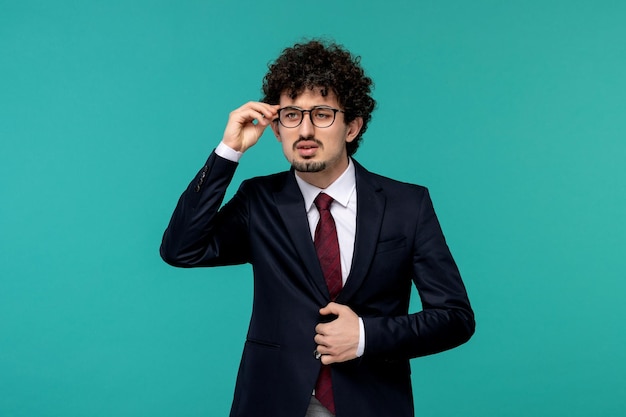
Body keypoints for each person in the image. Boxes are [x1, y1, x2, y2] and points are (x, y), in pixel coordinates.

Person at [160, 39, 475, 417]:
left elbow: (455, 317)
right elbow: (181, 249)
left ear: (352, 126)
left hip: (371, 401)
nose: (305, 130)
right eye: (291, 115)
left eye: (322, 114)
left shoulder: (408, 205)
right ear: (276, 130)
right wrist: (229, 150)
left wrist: (364, 336)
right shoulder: (260, 200)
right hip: (272, 403)